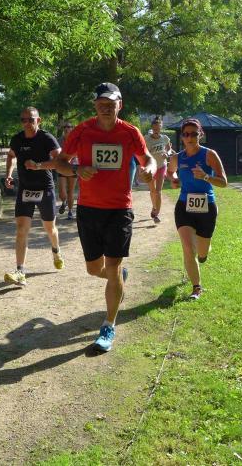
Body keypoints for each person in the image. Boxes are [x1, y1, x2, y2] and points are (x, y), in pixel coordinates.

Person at [55, 82, 156, 353]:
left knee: (112, 266)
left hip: (119, 209)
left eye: (111, 104)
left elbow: (148, 158)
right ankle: (119, 277)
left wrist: (149, 169)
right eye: (101, 103)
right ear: (95, 105)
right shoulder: (82, 131)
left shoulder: (130, 132)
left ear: (119, 105)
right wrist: (77, 170)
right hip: (89, 209)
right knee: (94, 269)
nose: (106, 108)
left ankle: (108, 325)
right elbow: (61, 163)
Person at [3, 107, 65, 286]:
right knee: (21, 229)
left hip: (45, 188)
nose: (27, 123)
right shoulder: (17, 139)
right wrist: (8, 175)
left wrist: (38, 166)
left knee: (50, 228)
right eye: (23, 120)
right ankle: (20, 271)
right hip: (25, 188)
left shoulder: (47, 138)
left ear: (39, 120)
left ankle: (56, 250)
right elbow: (11, 156)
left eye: (30, 119)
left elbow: (60, 162)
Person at [167, 118, 227, 300]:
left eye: (194, 134)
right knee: (187, 248)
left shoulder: (209, 155)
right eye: (186, 134)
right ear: (182, 137)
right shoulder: (177, 157)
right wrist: (174, 179)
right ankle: (196, 288)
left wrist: (206, 177)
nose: (190, 137)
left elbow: (223, 182)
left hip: (206, 207)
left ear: (200, 135)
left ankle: (203, 254)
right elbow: (170, 171)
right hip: (184, 206)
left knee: (201, 252)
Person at [144, 116, 172, 223]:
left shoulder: (165, 138)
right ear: (152, 128)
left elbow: (169, 149)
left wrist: (167, 153)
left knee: (158, 191)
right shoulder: (146, 139)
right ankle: (154, 207)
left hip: (161, 166)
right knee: (152, 191)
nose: (156, 130)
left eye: (158, 128)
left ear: (161, 128)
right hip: (151, 167)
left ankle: (156, 214)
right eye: (155, 128)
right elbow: (142, 151)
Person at [56, 122, 77, 220]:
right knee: (61, 192)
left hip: (73, 167)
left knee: (71, 191)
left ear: (72, 128)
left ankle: (70, 211)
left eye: (69, 127)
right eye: (65, 127)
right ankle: (64, 202)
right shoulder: (59, 140)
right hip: (62, 167)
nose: (66, 128)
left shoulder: (76, 140)